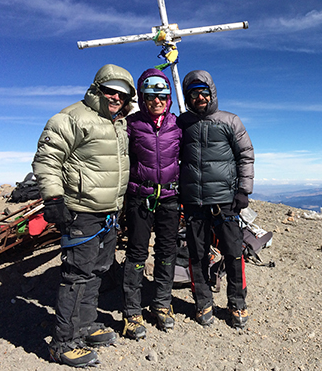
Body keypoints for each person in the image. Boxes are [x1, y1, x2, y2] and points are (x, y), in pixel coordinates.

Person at [32, 64, 135, 368]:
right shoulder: (72, 117)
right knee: (77, 276)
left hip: (108, 212)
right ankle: (63, 343)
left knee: (98, 271)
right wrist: (53, 198)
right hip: (81, 212)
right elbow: (47, 158)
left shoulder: (118, 123)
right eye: (110, 90)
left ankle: (86, 327)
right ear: (97, 89)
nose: (116, 97)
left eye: (122, 93)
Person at [178, 70, 254, 328]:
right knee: (197, 254)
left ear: (212, 93)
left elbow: (246, 154)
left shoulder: (230, 121)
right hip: (194, 202)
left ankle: (237, 304)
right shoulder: (182, 123)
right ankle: (203, 302)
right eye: (193, 94)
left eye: (203, 92)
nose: (199, 97)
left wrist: (243, 191)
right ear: (188, 98)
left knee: (233, 254)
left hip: (225, 202)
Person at [121, 68, 181, 340]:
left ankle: (162, 304)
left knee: (167, 252)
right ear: (143, 98)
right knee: (136, 253)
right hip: (139, 198)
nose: (157, 101)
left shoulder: (177, 125)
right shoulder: (131, 125)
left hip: (170, 197)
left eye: (162, 96)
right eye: (151, 96)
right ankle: (132, 312)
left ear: (168, 98)